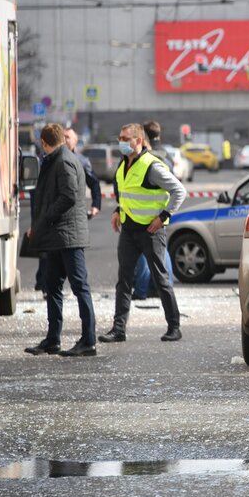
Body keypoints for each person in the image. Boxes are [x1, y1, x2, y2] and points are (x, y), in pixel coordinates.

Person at [99, 123, 186, 343]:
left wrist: (163, 217)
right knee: (124, 280)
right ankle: (118, 329)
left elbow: (179, 191)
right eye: (120, 137)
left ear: (138, 141)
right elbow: (128, 193)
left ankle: (174, 327)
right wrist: (118, 210)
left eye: (126, 138)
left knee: (160, 278)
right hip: (129, 230)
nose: (121, 141)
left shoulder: (151, 166)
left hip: (150, 231)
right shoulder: (124, 163)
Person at [24, 123, 97, 357]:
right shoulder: (57, 158)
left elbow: (67, 198)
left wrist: (44, 219)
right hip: (57, 235)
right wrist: (38, 224)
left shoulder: (63, 161)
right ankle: (53, 339)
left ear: (44, 143)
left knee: (79, 287)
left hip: (68, 236)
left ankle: (89, 340)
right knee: (51, 285)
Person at [34, 126, 101, 294]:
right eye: (64, 136)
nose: (65, 139)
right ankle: (42, 283)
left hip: (68, 228)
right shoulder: (49, 159)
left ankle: (88, 321)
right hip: (54, 228)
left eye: (69, 137)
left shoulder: (75, 160)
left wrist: (96, 205)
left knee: (78, 283)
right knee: (51, 277)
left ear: (74, 141)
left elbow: (88, 186)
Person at [132, 121, 175, 300]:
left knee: (142, 251)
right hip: (162, 209)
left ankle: (142, 290)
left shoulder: (145, 157)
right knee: (161, 250)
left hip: (144, 210)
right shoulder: (167, 156)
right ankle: (165, 286)